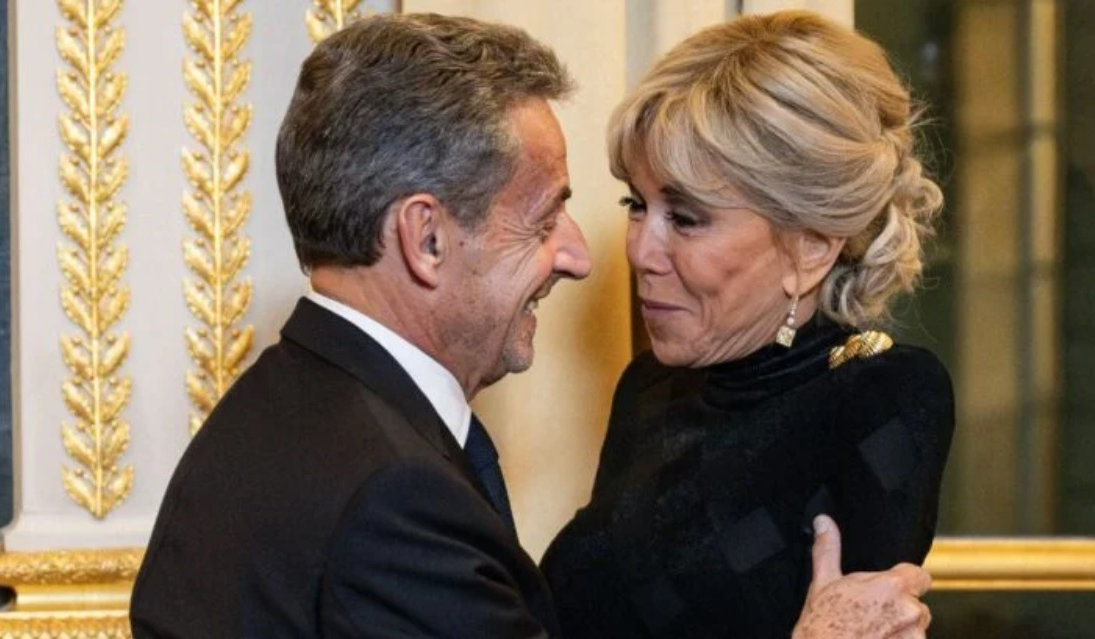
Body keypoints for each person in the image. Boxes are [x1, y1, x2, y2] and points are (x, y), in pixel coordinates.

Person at [131, 12, 933, 639]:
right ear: (425, 238)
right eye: (546, 217)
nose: (595, 254)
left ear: (812, 245)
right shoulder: (393, 494)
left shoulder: (275, 411)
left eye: (685, 216)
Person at [541, 10, 955, 639]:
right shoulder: (648, 389)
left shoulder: (880, 397)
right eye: (637, 204)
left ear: (810, 247)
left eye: (686, 218)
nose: (639, 251)